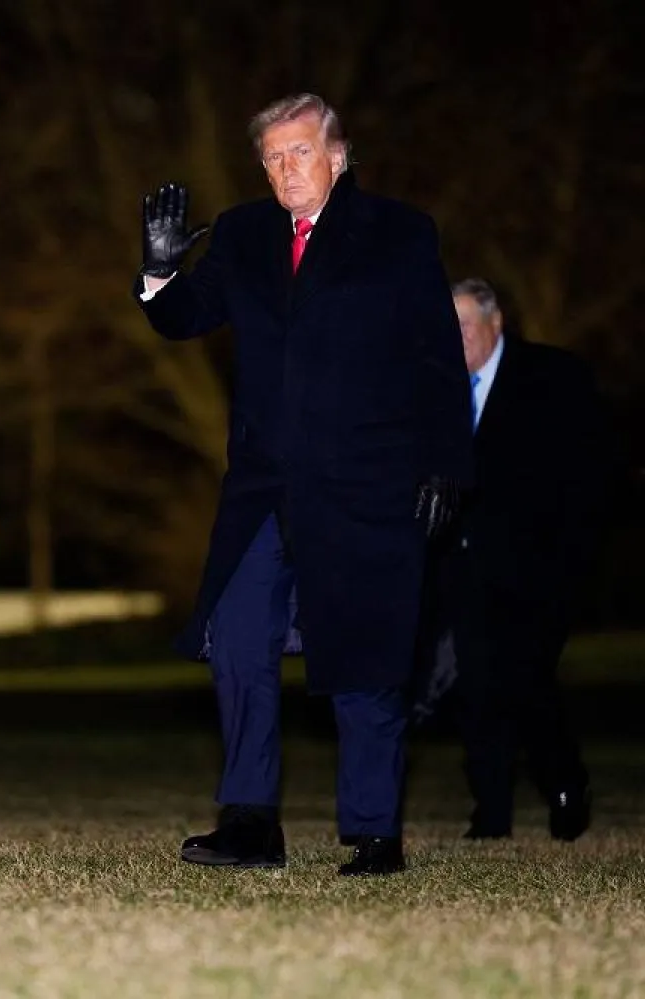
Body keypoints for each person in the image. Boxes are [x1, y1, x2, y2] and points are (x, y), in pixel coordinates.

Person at [134, 94, 472, 876]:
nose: (287, 168)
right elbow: (184, 318)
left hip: (367, 483)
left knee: (365, 653)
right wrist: (158, 269)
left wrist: (448, 461)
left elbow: (434, 355)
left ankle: (374, 831)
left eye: (301, 152)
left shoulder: (397, 232)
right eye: (274, 157)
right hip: (262, 486)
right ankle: (251, 824)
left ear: (339, 156)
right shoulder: (247, 235)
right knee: (241, 644)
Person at [411, 277, 612, 842]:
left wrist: (569, 554)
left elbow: (585, 473)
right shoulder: (434, 386)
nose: (453, 338)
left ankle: (565, 780)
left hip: (535, 568)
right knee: (474, 687)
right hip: (460, 565)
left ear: (495, 324)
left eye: (463, 325)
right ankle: (491, 809)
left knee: (525, 679)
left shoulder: (552, 378)